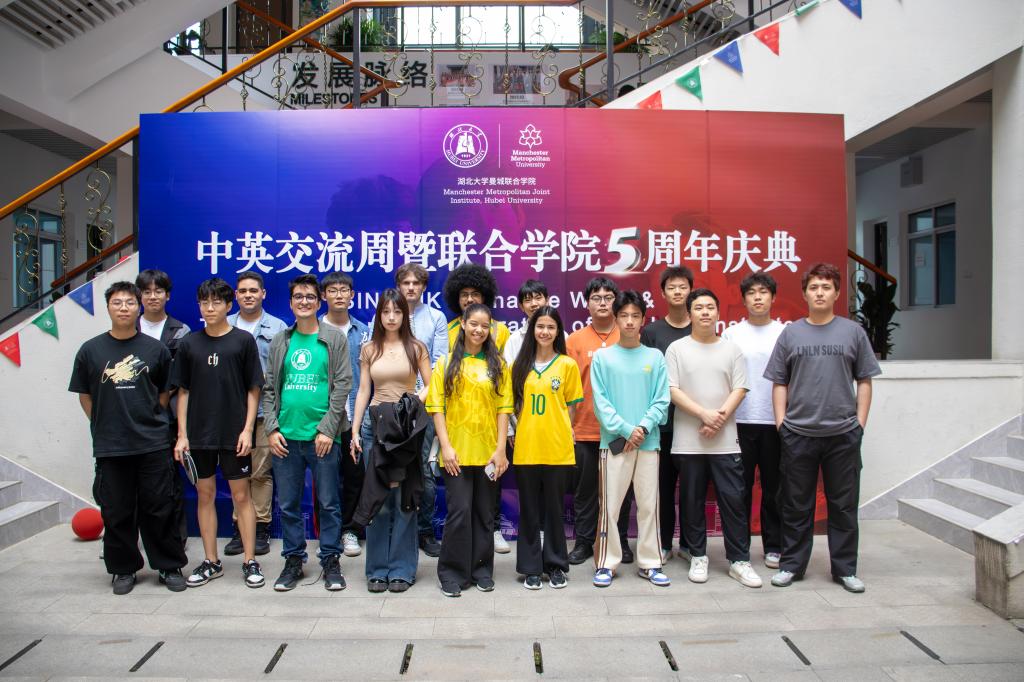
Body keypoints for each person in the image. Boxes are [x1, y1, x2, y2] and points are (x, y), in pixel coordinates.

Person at [764, 263, 881, 593]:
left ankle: (845, 569)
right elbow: (779, 381)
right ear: (804, 293)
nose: (819, 293)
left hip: (842, 434)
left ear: (837, 293)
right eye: (813, 287)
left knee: (842, 505)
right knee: (795, 505)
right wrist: (781, 423)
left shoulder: (853, 332)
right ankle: (791, 565)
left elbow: (865, 380)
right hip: (798, 434)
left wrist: (859, 424)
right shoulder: (791, 334)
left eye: (826, 287)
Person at [69, 281, 188, 595]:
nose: (124, 308)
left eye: (129, 303)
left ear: (139, 307)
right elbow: (84, 395)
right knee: (117, 510)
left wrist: (147, 419)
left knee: (159, 507)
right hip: (111, 445)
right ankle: (123, 569)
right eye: (117, 303)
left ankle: (169, 565)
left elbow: (164, 393)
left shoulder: (155, 349)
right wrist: (105, 423)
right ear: (108, 307)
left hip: (152, 442)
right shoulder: (91, 350)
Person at [172, 278, 265, 589]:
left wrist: (248, 430)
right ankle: (211, 561)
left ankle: (250, 561)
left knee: (242, 496)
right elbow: (183, 392)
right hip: (199, 435)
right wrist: (182, 435)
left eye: (216, 302)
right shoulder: (189, 344)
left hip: (234, 434)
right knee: (205, 495)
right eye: (204, 302)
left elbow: (254, 389)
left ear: (228, 305)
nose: (209, 308)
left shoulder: (243, 341)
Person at [262, 274, 353, 592]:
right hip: (285, 438)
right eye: (298, 297)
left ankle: (330, 561)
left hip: (323, 438)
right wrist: (271, 428)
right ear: (290, 303)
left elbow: (343, 385)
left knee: (328, 503)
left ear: (319, 301)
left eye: (310, 297)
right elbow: (269, 388)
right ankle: (293, 561)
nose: (304, 302)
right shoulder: (281, 340)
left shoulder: (334, 338)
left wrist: (328, 429)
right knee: (288, 505)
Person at [666, 288, 761, 588]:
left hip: (725, 441)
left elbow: (740, 388)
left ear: (718, 313)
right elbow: (672, 389)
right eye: (698, 308)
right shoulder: (677, 349)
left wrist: (717, 419)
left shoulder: (731, 350)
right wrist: (704, 415)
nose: (705, 312)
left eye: (710, 307)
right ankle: (697, 555)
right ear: (689, 313)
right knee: (691, 501)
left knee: (733, 500)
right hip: (688, 440)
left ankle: (739, 560)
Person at [426, 303, 512, 597]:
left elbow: (504, 409)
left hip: (488, 454)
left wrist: (501, 450)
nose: (479, 330)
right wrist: (446, 447)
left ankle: (481, 571)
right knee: (459, 512)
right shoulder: (446, 363)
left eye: (485, 326)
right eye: (473, 324)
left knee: (484, 513)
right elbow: (436, 407)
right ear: (462, 324)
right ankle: (452, 572)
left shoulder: (498, 365)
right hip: (456, 454)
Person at [350, 289, 432, 593]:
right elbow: (363, 391)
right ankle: (377, 570)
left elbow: (432, 385)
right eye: (386, 312)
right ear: (379, 315)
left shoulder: (416, 347)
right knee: (379, 499)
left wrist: (411, 404)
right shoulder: (369, 348)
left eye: (397, 312)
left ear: (405, 315)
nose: (392, 317)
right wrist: (355, 430)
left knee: (404, 499)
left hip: (406, 431)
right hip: (374, 427)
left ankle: (402, 569)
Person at [590, 290, 670, 588]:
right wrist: (626, 430)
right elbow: (601, 403)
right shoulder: (603, 357)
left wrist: (643, 428)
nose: (629, 321)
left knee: (649, 506)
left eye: (635, 316)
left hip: (648, 444)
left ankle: (650, 563)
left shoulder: (655, 357)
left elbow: (661, 400)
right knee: (610, 507)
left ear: (643, 320)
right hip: (614, 444)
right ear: (616, 318)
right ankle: (606, 564)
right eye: (624, 315)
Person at [510, 306, 582, 589]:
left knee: (554, 509)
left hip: (557, 449)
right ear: (532, 329)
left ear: (558, 331)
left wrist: (560, 429)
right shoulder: (519, 365)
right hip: (527, 447)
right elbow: (513, 406)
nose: (545, 332)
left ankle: (555, 565)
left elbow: (572, 407)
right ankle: (530, 567)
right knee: (529, 509)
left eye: (551, 327)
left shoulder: (567, 365)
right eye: (540, 326)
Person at [721, 272, 786, 570]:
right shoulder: (732, 334)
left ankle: (774, 546)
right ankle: (740, 547)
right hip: (740, 420)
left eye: (763, 292)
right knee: (739, 489)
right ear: (744, 299)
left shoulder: (785, 333)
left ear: (773, 297)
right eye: (752, 293)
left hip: (775, 421)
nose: (758, 297)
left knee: (774, 488)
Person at [225, 270, 288, 557]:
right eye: (243, 291)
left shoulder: (278, 327)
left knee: (261, 472)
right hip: (229, 412)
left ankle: (260, 527)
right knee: (235, 471)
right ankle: (240, 527)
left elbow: (283, 373)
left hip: (265, 411)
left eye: (253, 290)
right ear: (235, 295)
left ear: (263, 294)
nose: (248, 295)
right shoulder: (224, 325)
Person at [567, 276, 628, 566]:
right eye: (596, 298)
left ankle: (620, 542)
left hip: (620, 432)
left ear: (616, 302)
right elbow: (568, 389)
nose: (602, 303)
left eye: (608, 297)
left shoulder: (628, 336)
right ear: (587, 304)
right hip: (585, 429)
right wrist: (568, 426)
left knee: (620, 490)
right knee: (586, 491)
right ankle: (583, 543)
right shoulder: (574, 340)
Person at [639, 266, 694, 564]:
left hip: (693, 424)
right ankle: (663, 542)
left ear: (690, 290)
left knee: (691, 489)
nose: (677, 291)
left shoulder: (699, 327)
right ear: (662, 293)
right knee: (661, 488)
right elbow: (646, 376)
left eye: (682, 286)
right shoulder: (651, 332)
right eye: (671, 287)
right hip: (661, 425)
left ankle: (690, 544)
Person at [395, 262, 447, 557]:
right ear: (399, 286)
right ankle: (398, 532)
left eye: (416, 283)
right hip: (392, 405)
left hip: (425, 405)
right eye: (406, 283)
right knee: (394, 469)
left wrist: (419, 398)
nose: (411, 288)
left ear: (424, 287)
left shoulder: (436, 317)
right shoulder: (388, 314)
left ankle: (424, 531)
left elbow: (439, 364)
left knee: (425, 470)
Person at [135, 269, 191, 549]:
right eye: (147, 292)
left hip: (165, 416)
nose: (152, 297)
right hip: (129, 417)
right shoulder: (128, 326)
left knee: (168, 481)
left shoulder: (180, 331)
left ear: (167, 295)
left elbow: (179, 378)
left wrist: (158, 402)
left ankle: (175, 539)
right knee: (128, 482)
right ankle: (128, 539)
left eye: (158, 291)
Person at [319, 272, 370, 559]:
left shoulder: (364, 332)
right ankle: (328, 533)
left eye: (344, 290)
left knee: (354, 477)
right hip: (321, 416)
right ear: (323, 295)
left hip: (355, 416)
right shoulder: (311, 330)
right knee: (325, 480)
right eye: (333, 290)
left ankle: (350, 530)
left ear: (352, 295)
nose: (339, 295)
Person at [443, 262, 511, 353]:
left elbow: (507, 361)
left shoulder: (501, 330)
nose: (469, 299)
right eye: (464, 295)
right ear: (457, 299)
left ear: (484, 298)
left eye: (475, 294)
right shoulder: (447, 330)